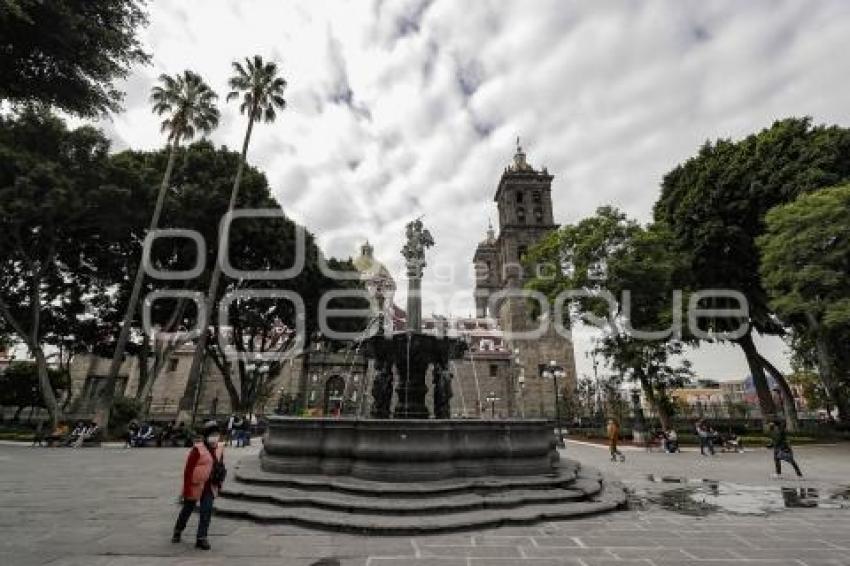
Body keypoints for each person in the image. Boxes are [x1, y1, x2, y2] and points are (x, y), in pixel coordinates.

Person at [172, 421, 226, 550]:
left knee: (206, 511)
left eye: (217, 434)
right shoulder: (198, 449)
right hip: (195, 484)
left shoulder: (219, 449)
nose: (215, 436)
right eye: (212, 434)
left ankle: (201, 538)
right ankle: (178, 530)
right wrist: (185, 489)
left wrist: (219, 483)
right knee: (187, 509)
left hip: (210, 486)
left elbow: (220, 467)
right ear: (206, 435)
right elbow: (188, 470)